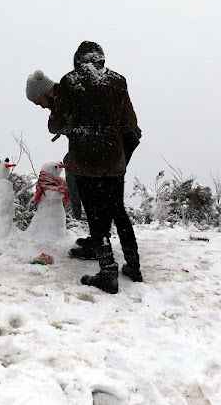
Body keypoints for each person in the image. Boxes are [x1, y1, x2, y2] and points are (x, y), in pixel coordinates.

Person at [49, 41, 142, 293]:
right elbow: (130, 121)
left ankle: (108, 271)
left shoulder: (70, 81)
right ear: (102, 59)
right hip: (113, 158)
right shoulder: (118, 81)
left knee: (95, 212)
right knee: (117, 210)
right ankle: (133, 266)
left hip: (84, 159)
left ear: (77, 60)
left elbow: (55, 124)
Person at [26, 70, 83, 220]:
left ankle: (79, 218)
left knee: (72, 167)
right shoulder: (60, 100)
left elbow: (56, 125)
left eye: (39, 102)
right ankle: (83, 219)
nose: (42, 107)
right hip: (86, 142)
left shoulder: (66, 98)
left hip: (95, 142)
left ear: (45, 92)